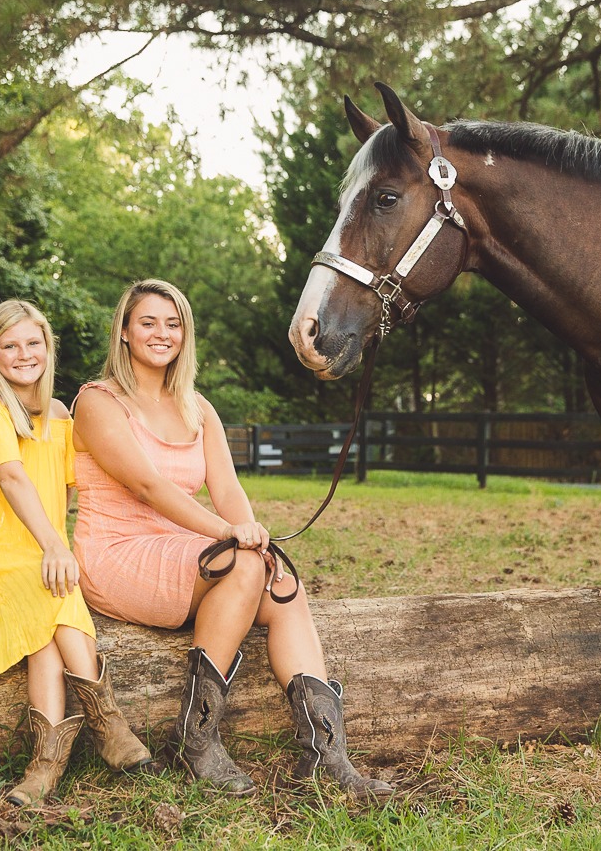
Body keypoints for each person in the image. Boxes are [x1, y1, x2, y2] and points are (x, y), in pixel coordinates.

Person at [71, 278, 391, 799]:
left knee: (283, 585)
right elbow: (147, 486)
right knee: (243, 565)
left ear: (185, 335)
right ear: (125, 332)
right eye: (147, 322)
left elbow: (228, 488)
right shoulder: (97, 401)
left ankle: (328, 756)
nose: (161, 334)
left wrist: (255, 538)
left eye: (172, 324)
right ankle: (195, 739)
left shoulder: (196, 407)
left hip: (186, 554)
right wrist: (229, 536)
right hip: (117, 552)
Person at [0, 300, 152, 808]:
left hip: (38, 550)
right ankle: (109, 724)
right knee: (50, 588)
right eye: (9, 345)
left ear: (48, 347)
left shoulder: (59, 415)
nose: (23, 354)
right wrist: (56, 545)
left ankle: (45, 765)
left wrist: (65, 543)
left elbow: (67, 488)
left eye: (33, 343)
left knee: (44, 631)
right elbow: (14, 479)